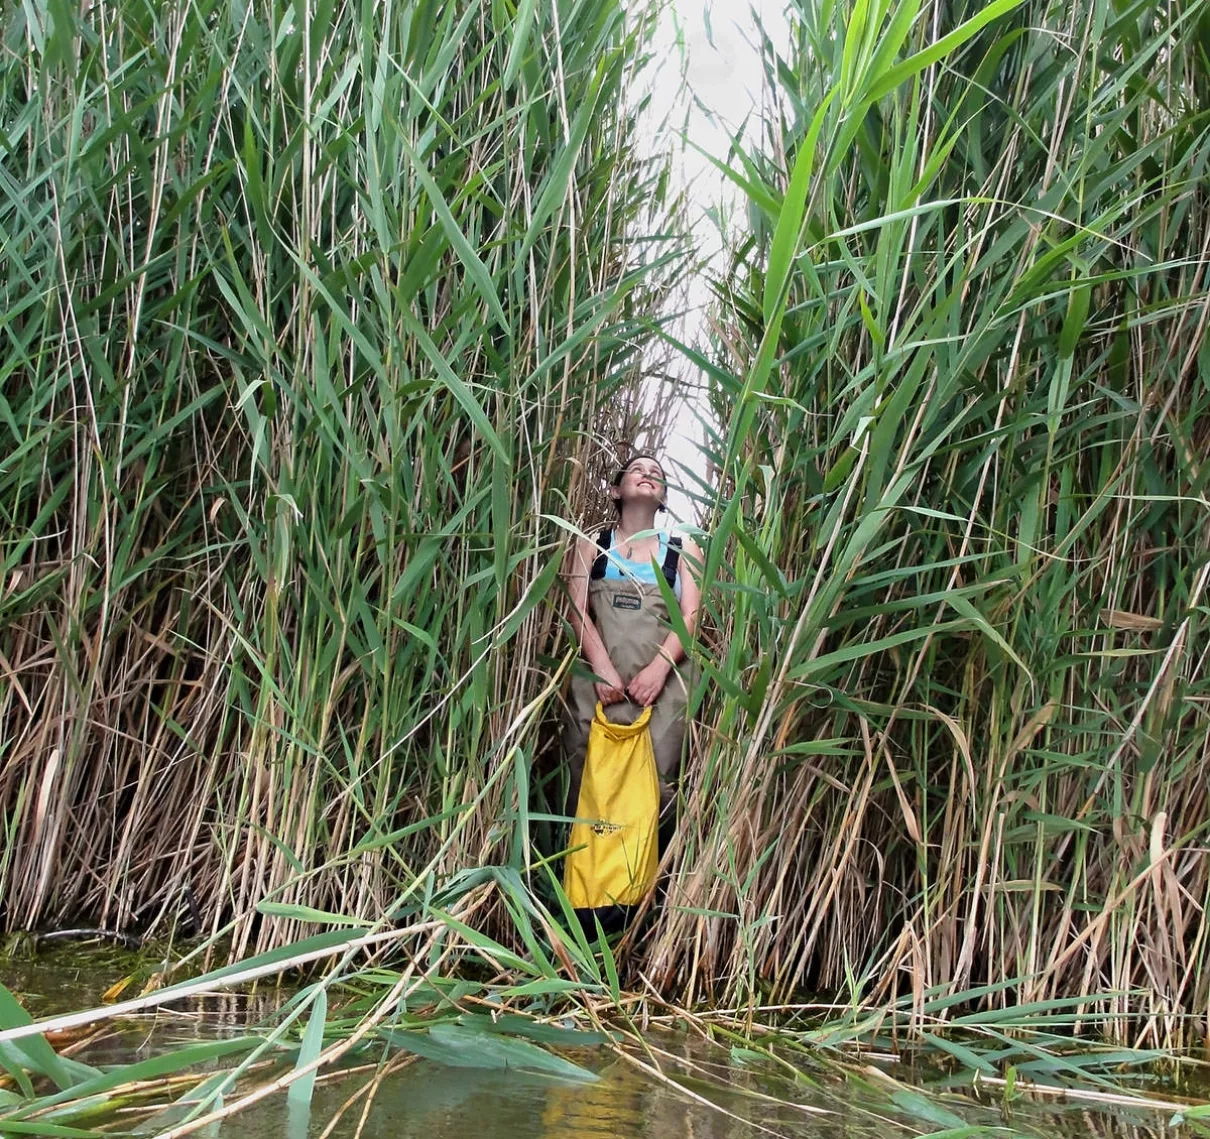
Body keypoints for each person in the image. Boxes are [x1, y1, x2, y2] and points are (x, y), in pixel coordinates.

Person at [562, 453, 702, 833]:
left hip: (664, 686)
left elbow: (691, 615)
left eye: (657, 473)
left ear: (663, 497)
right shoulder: (593, 543)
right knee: (586, 770)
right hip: (599, 681)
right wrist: (602, 669)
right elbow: (576, 610)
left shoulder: (682, 546)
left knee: (657, 778)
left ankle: (647, 885)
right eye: (638, 470)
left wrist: (658, 670)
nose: (648, 474)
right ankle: (582, 879)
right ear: (615, 490)